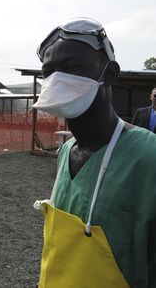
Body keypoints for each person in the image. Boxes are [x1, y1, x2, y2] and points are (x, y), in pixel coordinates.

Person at [32, 18, 156, 287]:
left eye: (72, 67)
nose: (57, 80)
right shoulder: (66, 151)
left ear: (110, 73)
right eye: (48, 72)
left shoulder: (149, 157)